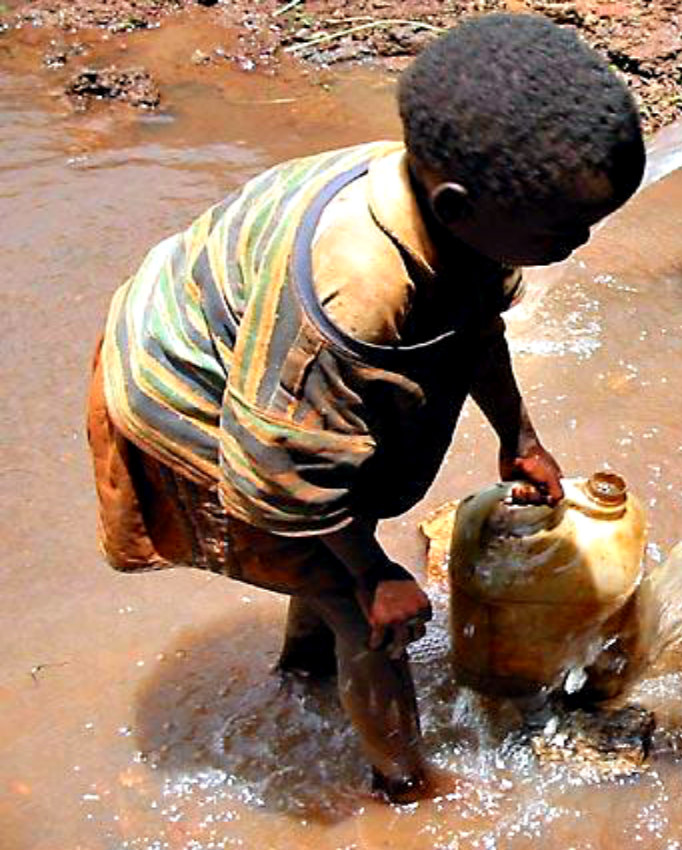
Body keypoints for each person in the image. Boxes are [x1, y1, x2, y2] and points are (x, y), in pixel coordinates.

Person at [85, 13, 645, 803]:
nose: (580, 242)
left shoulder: (455, 209)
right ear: (456, 206)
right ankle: (406, 788)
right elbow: (280, 471)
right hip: (186, 398)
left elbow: (475, 323)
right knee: (369, 618)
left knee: (328, 569)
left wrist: (519, 435)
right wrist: (374, 572)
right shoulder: (353, 294)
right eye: (564, 229)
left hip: (260, 380)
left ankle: (302, 672)